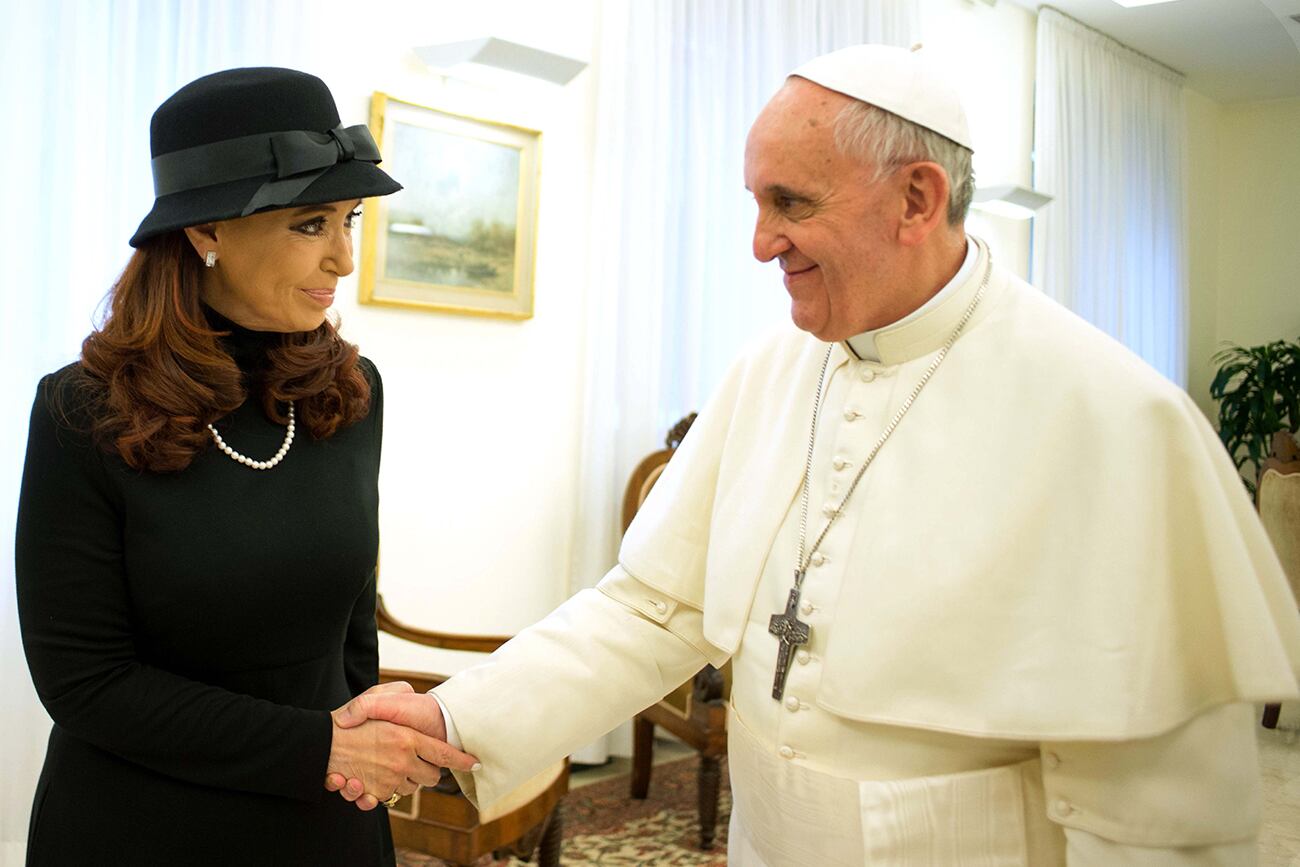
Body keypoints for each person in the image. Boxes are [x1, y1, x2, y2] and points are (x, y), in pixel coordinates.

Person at [329, 45, 1300, 864]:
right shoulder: (770, 371)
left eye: (788, 204)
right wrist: (462, 717)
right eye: (756, 204)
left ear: (916, 198)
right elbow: (654, 607)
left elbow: (1153, 793)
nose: (759, 244)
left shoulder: (1112, 414)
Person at [15, 67, 475, 866]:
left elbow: (348, 629)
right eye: (309, 224)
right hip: (141, 828)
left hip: (326, 820)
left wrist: (359, 746)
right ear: (206, 233)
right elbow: (85, 681)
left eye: (349, 219)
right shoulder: (82, 410)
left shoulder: (348, 392)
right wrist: (316, 748)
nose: (341, 258)